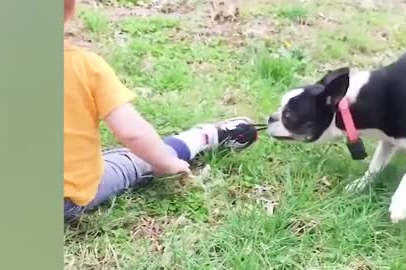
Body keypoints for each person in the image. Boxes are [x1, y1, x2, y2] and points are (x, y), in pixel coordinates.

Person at [63, 0, 259, 222]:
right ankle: (202, 137)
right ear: (69, 10)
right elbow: (132, 133)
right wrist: (166, 163)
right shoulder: (85, 67)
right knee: (135, 160)